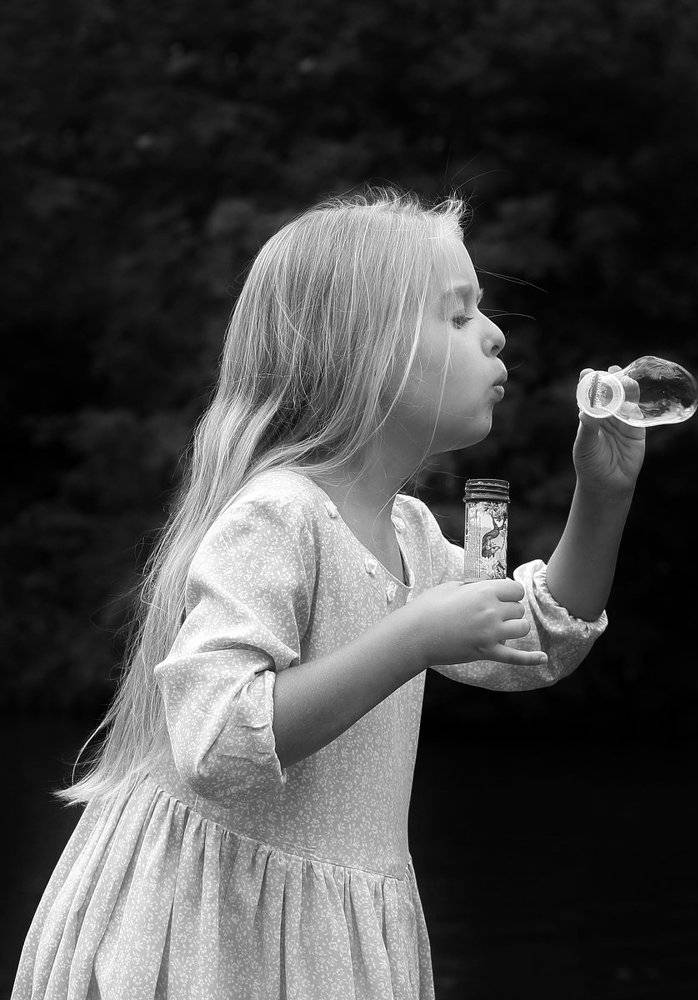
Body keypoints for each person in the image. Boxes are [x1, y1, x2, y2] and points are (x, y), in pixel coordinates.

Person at [12, 189, 644, 999]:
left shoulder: (410, 531)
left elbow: (535, 645)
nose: (494, 334)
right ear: (364, 353)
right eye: (458, 315)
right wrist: (413, 637)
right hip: (206, 935)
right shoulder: (280, 514)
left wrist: (604, 495)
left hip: (321, 934)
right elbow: (219, 745)